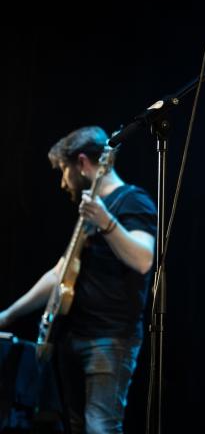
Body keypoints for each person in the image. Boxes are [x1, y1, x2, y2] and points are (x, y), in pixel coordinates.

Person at [0, 126, 157, 434]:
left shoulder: (131, 201)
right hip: (72, 336)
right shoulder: (89, 212)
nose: (63, 182)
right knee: (75, 426)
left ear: (83, 163)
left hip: (109, 339)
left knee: (100, 427)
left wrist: (107, 223)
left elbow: (143, 260)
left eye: (63, 171)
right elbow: (60, 274)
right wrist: (7, 315)